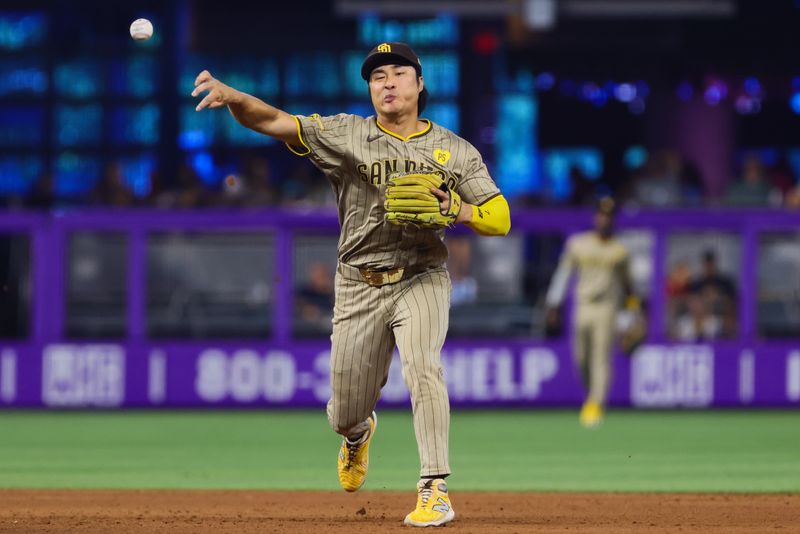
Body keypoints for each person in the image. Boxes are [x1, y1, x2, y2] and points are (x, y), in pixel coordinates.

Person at [192, 41, 511, 527]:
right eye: (377, 75)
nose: (387, 82)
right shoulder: (347, 134)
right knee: (343, 411)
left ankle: (434, 489)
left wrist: (456, 210)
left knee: (424, 368)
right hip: (359, 282)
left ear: (420, 84)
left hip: (422, 274)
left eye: (399, 73)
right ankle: (359, 434)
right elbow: (275, 122)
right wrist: (235, 97)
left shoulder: (455, 150)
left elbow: (500, 217)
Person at [545, 198, 636, 428]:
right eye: (601, 215)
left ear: (614, 220)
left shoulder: (620, 251)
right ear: (596, 217)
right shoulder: (578, 244)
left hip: (607, 306)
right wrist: (554, 303)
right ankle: (591, 396)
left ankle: (596, 403)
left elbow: (628, 287)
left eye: (609, 216)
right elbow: (563, 274)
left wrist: (631, 315)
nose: (604, 220)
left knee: (601, 357)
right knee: (581, 358)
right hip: (582, 305)